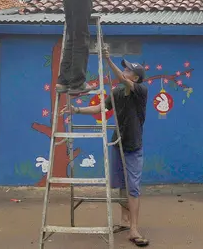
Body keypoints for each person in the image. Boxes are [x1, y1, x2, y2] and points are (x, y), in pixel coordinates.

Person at [63, 45, 150, 247]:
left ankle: (134, 229)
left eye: (128, 70)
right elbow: (101, 108)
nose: (125, 72)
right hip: (117, 142)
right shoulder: (118, 91)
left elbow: (122, 80)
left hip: (133, 145)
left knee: (133, 188)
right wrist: (76, 109)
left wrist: (108, 60)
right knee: (121, 185)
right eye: (125, 68)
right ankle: (124, 221)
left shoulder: (140, 91)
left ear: (135, 78)